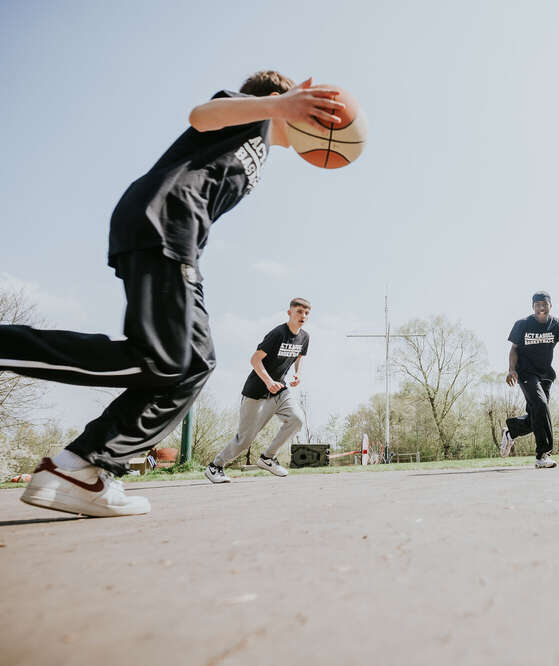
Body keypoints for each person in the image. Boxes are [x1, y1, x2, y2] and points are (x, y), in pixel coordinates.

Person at [1, 71, 344, 517]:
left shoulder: (262, 144)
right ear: (278, 97)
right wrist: (278, 105)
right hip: (161, 226)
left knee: (192, 364)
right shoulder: (247, 114)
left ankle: (82, 468)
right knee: (165, 361)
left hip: (177, 242)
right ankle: (80, 466)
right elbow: (201, 115)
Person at [205, 299, 311, 483]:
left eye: (306, 313)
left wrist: (297, 374)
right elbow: (255, 360)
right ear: (289, 313)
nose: (303, 316)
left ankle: (268, 458)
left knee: (297, 419)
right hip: (256, 393)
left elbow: (299, 356)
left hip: (279, 390)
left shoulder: (304, 337)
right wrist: (268, 381)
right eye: (299, 311)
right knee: (245, 439)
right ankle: (215, 466)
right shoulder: (278, 334)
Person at [500, 291, 559, 468]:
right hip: (525, 373)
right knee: (541, 405)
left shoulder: (557, 324)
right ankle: (542, 455)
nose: (541, 308)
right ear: (533, 307)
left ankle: (511, 432)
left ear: (550, 306)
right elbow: (514, 349)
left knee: (538, 415)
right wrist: (511, 370)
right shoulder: (522, 324)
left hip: (545, 375)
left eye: (544, 304)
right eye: (537, 304)